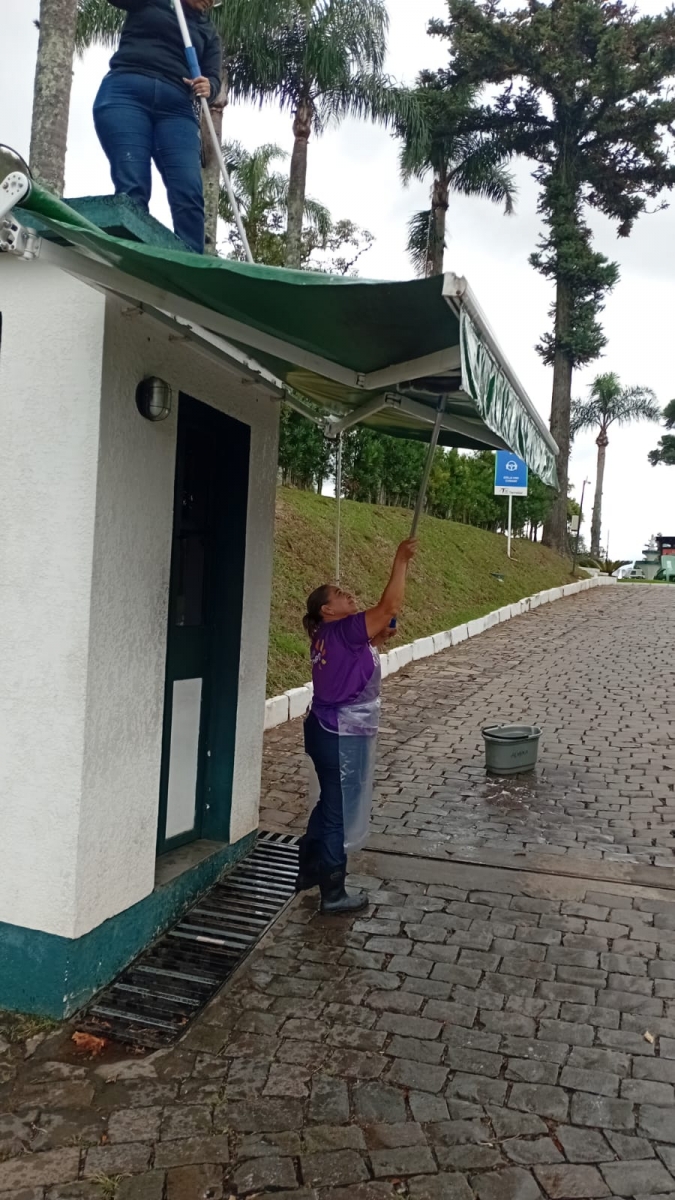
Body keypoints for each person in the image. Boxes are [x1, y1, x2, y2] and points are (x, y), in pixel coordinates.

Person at [298, 538, 418, 915]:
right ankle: (333, 891)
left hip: (327, 729)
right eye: (339, 594)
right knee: (338, 810)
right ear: (326, 609)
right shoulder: (344, 629)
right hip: (339, 733)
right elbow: (389, 606)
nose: (347, 595)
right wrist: (400, 561)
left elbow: (371, 637)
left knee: (330, 802)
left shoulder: (329, 634)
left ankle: (309, 865)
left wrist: (380, 634)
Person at [93, 0, 222, 254]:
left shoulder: (208, 32)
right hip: (126, 94)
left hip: (177, 109)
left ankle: (191, 264)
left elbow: (213, 77)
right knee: (133, 185)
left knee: (188, 191)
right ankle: (131, 255)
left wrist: (209, 86)